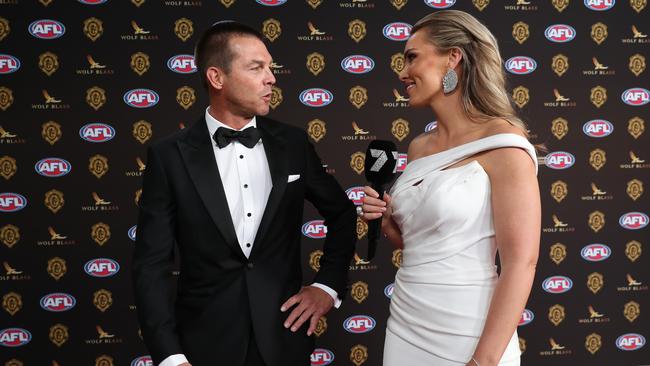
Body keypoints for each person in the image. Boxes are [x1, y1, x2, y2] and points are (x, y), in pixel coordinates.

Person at [132, 21, 357, 366]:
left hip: (285, 340)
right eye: (257, 68)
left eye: (270, 67)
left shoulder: (293, 144)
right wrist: (170, 357)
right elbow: (151, 265)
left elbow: (342, 214)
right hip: (203, 346)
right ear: (217, 78)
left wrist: (326, 286)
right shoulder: (169, 156)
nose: (271, 78)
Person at [359, 10, 540, 366]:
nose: (402, 72)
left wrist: (483, 361)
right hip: (406, 323)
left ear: (453, 57)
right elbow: (426, 244)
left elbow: (522, 261)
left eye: (412, 57)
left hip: (470, 333)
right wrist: (388, 224)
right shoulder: (418, 147)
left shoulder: (503, 139)